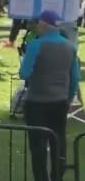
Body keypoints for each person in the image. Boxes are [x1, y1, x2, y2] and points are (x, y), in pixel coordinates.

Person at [19, 10, 78, 181]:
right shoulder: (70, 47)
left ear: (44, 24)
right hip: (60, 101)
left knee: (37, 146)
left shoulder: (36, 45)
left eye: (38, 23)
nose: (36, 26)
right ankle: (57, 177)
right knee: (58, 142)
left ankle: (41, 178)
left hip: (37, 101)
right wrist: (68, 97)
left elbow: (24, 73)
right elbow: (74, 78)